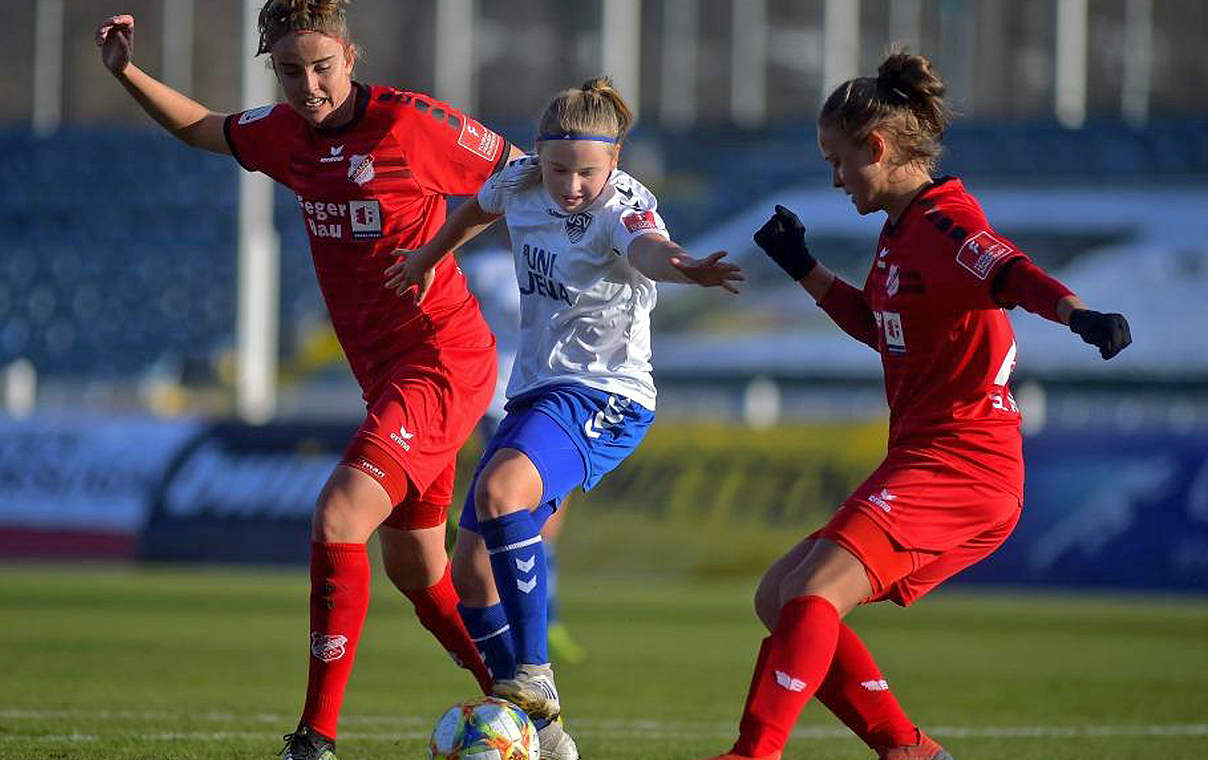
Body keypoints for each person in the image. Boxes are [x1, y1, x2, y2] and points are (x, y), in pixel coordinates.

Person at [95, 3, 528, 759]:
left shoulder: (411, 124)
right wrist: (127, 71)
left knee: (337, 516)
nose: (309, 85)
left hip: (442, 361)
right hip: (386, 374)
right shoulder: (285, 134)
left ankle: (314, 739)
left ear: (350, 55)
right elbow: (202, 126)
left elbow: (519, 173)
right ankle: (525, 706)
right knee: (418, 574)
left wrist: (450, 246)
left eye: (321, 66)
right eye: (290, 71)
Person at [690, 50, 1131, 760]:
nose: (834, 179)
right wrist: (803, 266)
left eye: (839, 161)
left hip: (966, 462)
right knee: (779, 595)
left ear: (878, 146)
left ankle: (755, 752)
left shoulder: (946, 223)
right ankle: (909, 749)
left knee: (815, 592)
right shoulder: (901, 233)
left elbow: (1010, 271)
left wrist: (1079, 315)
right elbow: (880, 328)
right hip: (930, 456)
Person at [387, 77, 746, 760]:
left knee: (499, 495)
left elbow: (646, 250)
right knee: (468, 576)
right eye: (560, 170)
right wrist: (429, 259)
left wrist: (684, 267)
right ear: (540, 159)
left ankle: (534, 676)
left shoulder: (627, 203)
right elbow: (473, 211)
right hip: (537, 392)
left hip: (607, 395)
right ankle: (547, 740)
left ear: (614, 164)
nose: (573, 185)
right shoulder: (520, 180)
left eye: (588, 172)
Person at [461, 251, 588, 665]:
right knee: (507, 506)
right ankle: (529, 633)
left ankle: (543, 625)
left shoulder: (561, 250)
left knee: (547, 524)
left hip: (555, 395)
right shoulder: (483, 267)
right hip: (500, 397)